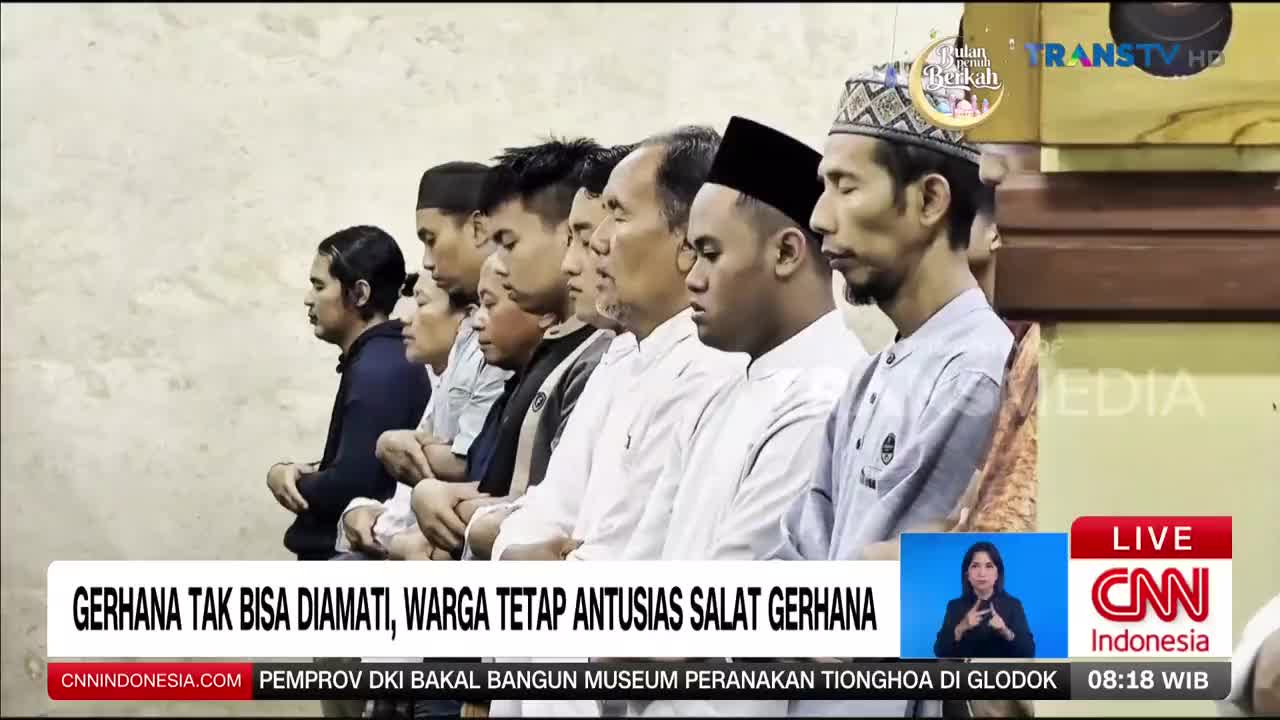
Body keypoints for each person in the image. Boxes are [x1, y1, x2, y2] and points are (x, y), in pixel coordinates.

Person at [772, 62, 1013, 718]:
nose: (821, 217)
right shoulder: (871, 373)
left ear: (931, 201)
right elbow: (798, 557)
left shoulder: (976, 373)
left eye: (845, 186)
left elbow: (874, 607)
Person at [618, 117, 869, 718]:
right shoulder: (727, 385)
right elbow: (639, 573)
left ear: (786, 251)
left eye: (709, 253)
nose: (692, 278)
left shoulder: (824, 395)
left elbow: (731, 613)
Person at [489, 126, 745, 564]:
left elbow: (617, 563)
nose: (599, 244)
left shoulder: (709, 368)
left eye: (619, 216)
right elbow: (549, 507)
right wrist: (511, 550)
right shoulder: (626, 353)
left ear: (687, 240)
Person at [413, 140, 616, 556]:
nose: (500, 264)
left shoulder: (597, 355)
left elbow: (564, 524)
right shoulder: (552, 349)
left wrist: (463, 512)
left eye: (509, 242)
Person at [463, 142, 635, 562]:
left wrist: (486, 528)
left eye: (508, 242)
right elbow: (545, 503)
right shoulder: (608, 354)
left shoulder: (599, 355)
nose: (571, 264)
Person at [338, 161, 510, 561]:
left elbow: (470, 467)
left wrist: (402, 450)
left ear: (479, 228)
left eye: (432, 239)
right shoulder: (469, 338)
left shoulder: (505, 339)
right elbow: (427, 440)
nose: (428, 261)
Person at [267, 225, 430, 561]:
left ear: (359, 293)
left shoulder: (379, 370)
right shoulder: (380, 357)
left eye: (319, 286)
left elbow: (354, 483)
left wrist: (285, 478)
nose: (308, 299)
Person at [934, 541, 1035, 658]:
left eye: (989, 566)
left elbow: (1028, 653)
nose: (982, 573)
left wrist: (1005, 631)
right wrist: (960, 628)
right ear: (967, 574)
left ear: (997, 574)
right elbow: (940, 652)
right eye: (975, 566)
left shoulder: (1013, 605)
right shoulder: (954, 606)